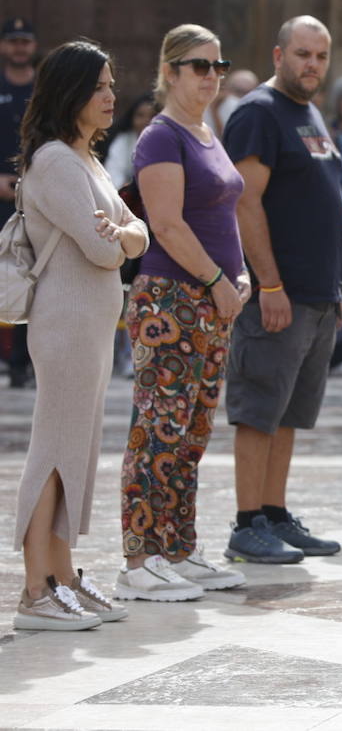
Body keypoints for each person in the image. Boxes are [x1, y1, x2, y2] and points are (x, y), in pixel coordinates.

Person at [12, 41, 148, 630]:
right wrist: (124, 236)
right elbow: (103, 249)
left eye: (112, 84)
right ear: (70, 92)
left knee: (77, 451)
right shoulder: (56, 162)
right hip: (65, 323)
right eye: (99, 86)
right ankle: (33, 589)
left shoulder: (86, 158)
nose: (111, 95)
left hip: (91, 325)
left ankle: (64, 576)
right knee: (53, 451)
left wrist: (125, 233)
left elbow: (136, 233)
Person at [116, 24, 251, 601]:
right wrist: (219, 278)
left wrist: (240, 275)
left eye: (219, 66)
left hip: (212, 299)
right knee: (158, 429)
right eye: (200, 66)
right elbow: (165, 224)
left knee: (192, 430)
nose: (212, 76)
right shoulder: (160, 136)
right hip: (170, 299)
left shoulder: (206, 131)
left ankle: (178, 546)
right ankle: (140, 559)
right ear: (170, 72)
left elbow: (224, 212)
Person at [221, 15, 342, 563]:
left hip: (316, 296)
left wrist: (332, 292)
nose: (311, 64)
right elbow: (245, 204)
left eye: (319, 56)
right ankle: (247, 523)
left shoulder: (310, 113)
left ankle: (274, 513)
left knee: (291, 410)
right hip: (278, 293)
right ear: (278, 55)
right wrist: (268, 283)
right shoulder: (258, 114)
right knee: (258, 409)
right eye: (301, 54)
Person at [1, 18, 39, 388]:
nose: (19, 48)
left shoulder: (42, 89)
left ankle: (21, 364)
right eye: (13, 41)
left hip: (35, 197)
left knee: (30, 276)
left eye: (25, 41)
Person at [101, 92, 157, 188]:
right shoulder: (124, 141)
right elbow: (113, 175)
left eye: (152, 116)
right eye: (140, 115)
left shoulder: (167, 142)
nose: (146, 121)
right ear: (132, 118)